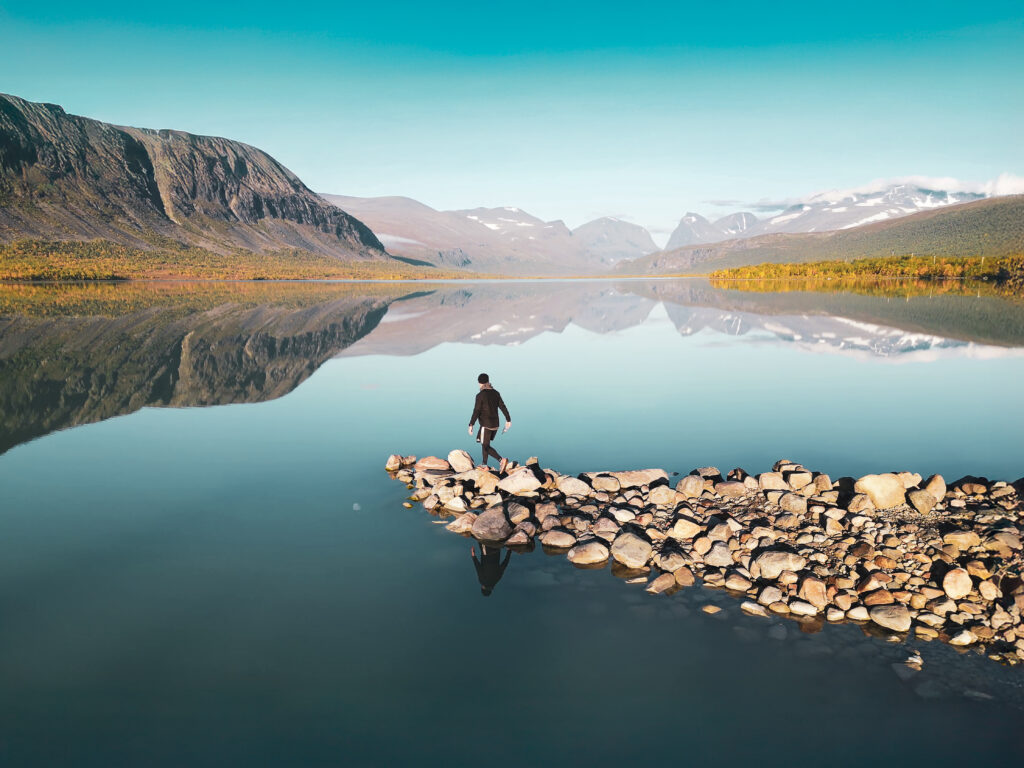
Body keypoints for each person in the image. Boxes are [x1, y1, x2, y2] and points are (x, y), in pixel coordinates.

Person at [467, 372, 511, 472]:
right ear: (488, 381)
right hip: (495, 425)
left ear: (480, 383)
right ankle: (484, 465)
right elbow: (502, 407)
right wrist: (508, 419)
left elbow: (476, 411)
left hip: (486, 424)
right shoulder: (496, 393)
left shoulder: (480, 395)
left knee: (485, 445)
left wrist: (471, 424)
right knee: (484, 443)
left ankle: (501, 460)